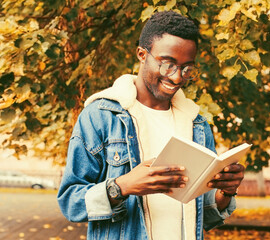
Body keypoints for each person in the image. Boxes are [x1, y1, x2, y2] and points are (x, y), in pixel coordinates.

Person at [57, 11, 245, 240]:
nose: (177, 78)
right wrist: (122, 186)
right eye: (168, 64)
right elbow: (70, 202)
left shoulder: (197, 124)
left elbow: (202, 215)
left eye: (187, 68)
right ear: (142, 54)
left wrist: (225, 191)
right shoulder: (100, 116)